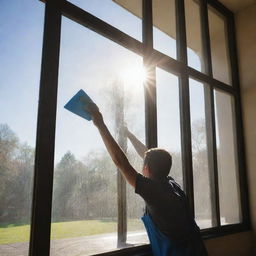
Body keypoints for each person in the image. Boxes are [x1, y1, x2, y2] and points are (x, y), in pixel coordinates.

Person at [85, 102, 208, 256]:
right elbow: (148, 155)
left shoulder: (153, 191)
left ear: (147, 168)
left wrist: (100, 124)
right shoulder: (171, 185)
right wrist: (128, 134)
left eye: (144, 164)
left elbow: (121, 162)